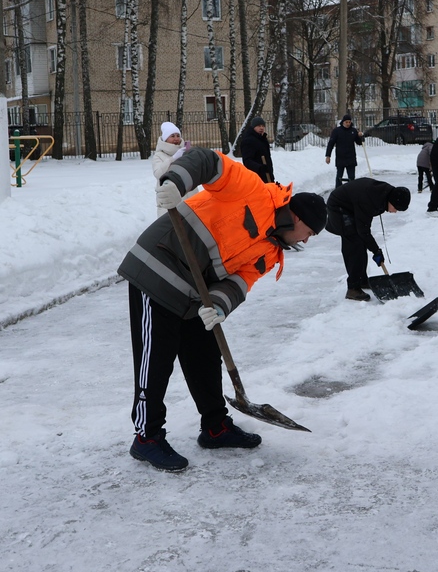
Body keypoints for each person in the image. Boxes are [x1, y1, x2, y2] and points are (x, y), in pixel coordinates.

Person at [119, 146, 328, 472]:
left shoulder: (271, 251)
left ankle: (215, 427)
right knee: (155, 360)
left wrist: (218, 305)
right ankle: (146, 437)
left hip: (195, 292)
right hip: (158, 268)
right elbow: (209, 161)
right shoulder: (253, 191)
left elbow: (240, 282)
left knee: (205, 354)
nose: (307, 240)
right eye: (310, 233)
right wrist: (175, 181)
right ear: (299, 219)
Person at [325, 178, 411, 301]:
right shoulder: (370, 200)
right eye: (396, 208)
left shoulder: (384, 194)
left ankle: (362, 280)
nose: (395, 212)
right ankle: (353, 288)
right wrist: (376, 251)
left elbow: (364, 228)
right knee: (354, 244)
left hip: (352, 205)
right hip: (339, 207)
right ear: (391, 201)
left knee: (361, 243)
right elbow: (363, 230)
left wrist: (375, 250)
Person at [152, 121, 193, 218]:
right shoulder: (159, 155)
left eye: (178, 135)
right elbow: (158, 174)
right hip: (168, 197)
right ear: (165, 138)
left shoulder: (185, 152)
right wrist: (173, 158)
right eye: (172, 136)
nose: (176, 139)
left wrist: (191, 157)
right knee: (170, 224)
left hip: (190, 196)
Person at [325, 114, 366, 186]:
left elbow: (359, 143)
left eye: (349, 122)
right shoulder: (337, 131)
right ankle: (338, 190)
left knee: (351, 178)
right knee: (339, 177)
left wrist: (361, 136)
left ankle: (351, 191)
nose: (348, 124)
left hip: (351, 157)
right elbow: (331, 143)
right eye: (346, 122)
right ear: (343, 122)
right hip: (340, 157)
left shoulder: (353, 131)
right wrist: (328, 156)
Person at [238, 116, 274, 182]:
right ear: (253, 127)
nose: (261, 128)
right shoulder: (248, 141)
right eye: (259, 126)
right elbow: (247, 161)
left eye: (263, 126)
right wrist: (260, 168)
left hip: (267, 176)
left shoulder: (263, 140)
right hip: (255, 177)